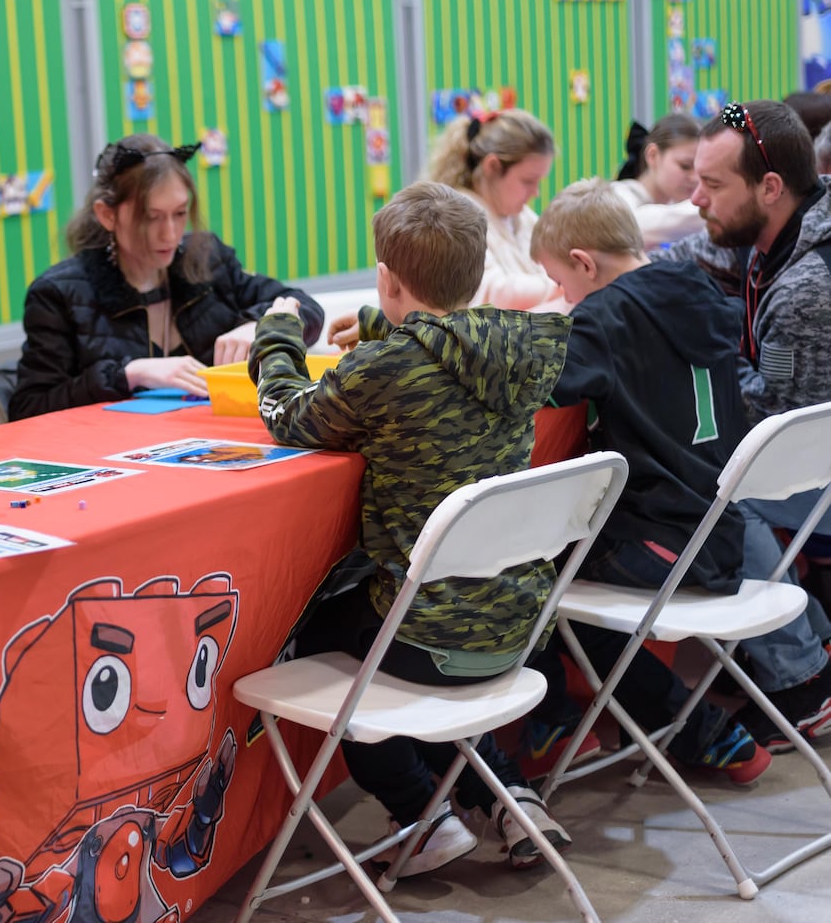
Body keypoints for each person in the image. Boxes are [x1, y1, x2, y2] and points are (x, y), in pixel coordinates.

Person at [250, 181, 571, 873]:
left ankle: (420, 816)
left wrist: (276, 337)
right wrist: (379, 325)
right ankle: (509, 796)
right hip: (518, 629)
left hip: (429, 643)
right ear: (478, 273)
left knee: (325, 632)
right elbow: (441, 350)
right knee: (413, 625)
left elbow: (287, 416)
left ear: (387, 278)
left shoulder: (382, 369)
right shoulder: (518, 349)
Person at [524, 179, 831, 775]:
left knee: (535, 574)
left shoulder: (603, 320)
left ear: (585, 263)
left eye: (562, 283)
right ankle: (696, 728)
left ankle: (664, 728)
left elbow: (542, 383)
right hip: (724, 532)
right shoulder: (699, 288)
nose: (563, 298)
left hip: (667, 546)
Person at [9, 134, 324, 419]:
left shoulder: (208, 259)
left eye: (180, 213)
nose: (170, 234)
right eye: (151, 217)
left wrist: (264, 327)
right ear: (107, 215)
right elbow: (29, 408)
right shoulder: (59, 294)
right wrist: (129, 374)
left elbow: (305, 307)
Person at [667, 99, 831, 609]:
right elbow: (680, 256)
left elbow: (774, 424)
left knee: (709, 494)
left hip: (819, 471)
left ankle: (803, 671)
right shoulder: (789, 224)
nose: (695, 199)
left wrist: (707, 345)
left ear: (770, 188)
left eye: (713, 186)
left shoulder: (806, 289)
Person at [424, 109, 564, 310]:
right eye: (528, 181)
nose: (536, 192)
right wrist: (567, 284)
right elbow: (491, 292)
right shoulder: (453, 219)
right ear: (492, 166)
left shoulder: (522, 217)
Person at [612, 115, 705, 249]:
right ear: (653, 155)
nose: (695, 177)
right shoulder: (617, 196)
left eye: (700, 169)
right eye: (685, 166)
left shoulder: (675, 204)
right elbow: (631, 227)